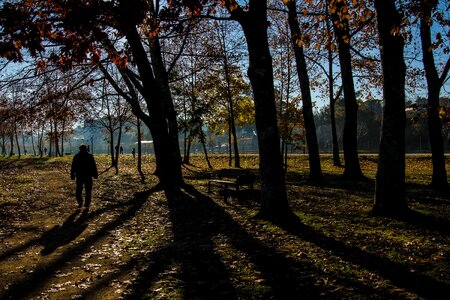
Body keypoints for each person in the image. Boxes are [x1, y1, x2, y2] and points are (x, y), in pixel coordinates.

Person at [71, 144, 98, 209]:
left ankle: (80, 201)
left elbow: (73, 167)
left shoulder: (76, 156)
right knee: (88, 190)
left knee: (79, 189)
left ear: (80, 149)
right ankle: (87, 204)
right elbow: (93, 166)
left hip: (79, 175)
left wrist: (72, 174)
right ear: (86, 149)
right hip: (88, 175)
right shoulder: (90, 156)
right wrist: (95, 174)